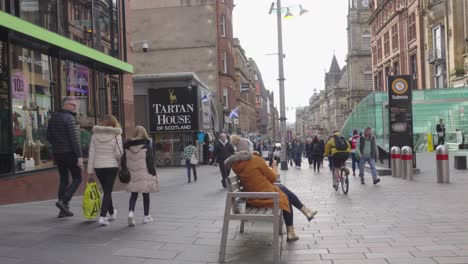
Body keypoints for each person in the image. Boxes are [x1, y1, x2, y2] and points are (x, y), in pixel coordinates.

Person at [224, 141, 318, 242]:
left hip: (252, 197)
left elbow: (253, 176)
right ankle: (292, 231)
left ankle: (305, 212)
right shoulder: (255, 160)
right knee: (284, 198)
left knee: (282, 188)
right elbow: (273, 178)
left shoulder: (236, 164)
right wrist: (274, 167)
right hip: (263, 197)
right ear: (249, 149)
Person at [46, 97, 83, 218]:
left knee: (64, 179)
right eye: (73, 105)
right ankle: (64, 201)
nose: (75, 107)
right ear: (66, 105)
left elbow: (48, 136)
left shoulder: (53, 118)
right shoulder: (69, 118)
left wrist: (57, 144)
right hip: (69, 153)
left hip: (57, 153)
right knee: (78, 178)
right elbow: (74, 139)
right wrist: (79, 156)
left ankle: (63, 211)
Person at [87, 115, 123, 226]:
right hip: (111, 166)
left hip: (98, 166)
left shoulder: (94, 136)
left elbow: (91, 153)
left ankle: (112, 212)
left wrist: (90, 170)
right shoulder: (117, 135)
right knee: (108, 192)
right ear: (114, 123)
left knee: (107, 190)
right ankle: (102, 217)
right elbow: (118, 153)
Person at [122, 126, 159, 226]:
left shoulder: (127, 146)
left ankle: (131, 213)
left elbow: (123, 160)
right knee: (145, 194)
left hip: (132, 174)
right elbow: (150, 161)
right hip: (144, 173)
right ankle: (146, 216)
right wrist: (153, 173)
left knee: (133, 195)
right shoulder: (147, 146)